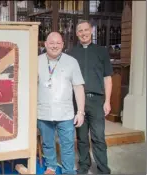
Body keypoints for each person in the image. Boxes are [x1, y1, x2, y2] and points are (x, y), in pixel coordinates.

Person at [67, 20, 112, 174]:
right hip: (78, 102)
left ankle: (103, 169)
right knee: (81, 137)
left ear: (91, 31)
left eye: (86, 30)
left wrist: (108, 101)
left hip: (96, 100)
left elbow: (107, 78)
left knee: (98, 137)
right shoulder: (71, 54)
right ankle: (84, 165)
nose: (84, 33)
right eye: (80, 31)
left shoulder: (102, 51)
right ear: (77, 33)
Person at [37, 32, 86, 174]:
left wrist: (80, 112)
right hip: (43, 112)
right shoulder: (37, 61)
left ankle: (68, 171)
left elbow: (78, 87)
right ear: (45, 44)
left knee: (68, 145)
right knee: (47, 143)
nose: (55, 46)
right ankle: (51, 166)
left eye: (58, 43)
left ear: (63, 45)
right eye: (51, 43)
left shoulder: (71, 62)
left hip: (66, 113)